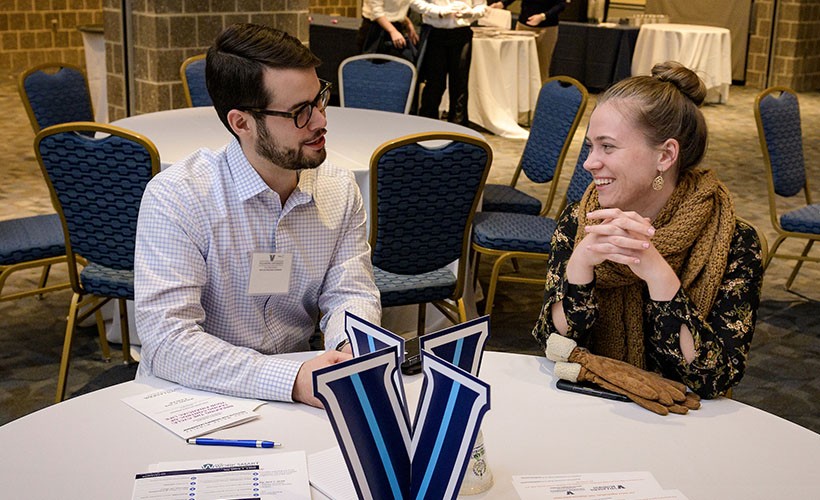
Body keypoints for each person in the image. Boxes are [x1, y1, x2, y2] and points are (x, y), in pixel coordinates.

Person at [134, 23, 381, 408]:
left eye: (320, 99)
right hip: (193, 397)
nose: (320, 121)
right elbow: (168, 340)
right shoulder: (179, 197)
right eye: (300, 112)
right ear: (242, 123)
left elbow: (350, 292)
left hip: (300, 394)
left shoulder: (339, 188)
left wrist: (352, 348)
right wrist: (290, 379)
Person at [532, 61, 764, 399]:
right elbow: (555, 345)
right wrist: (580, 265)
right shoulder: (580, 223)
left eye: (607, 146)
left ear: (666, 155)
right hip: (593, 405)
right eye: (590, 146)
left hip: (686, 424)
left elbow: (715, 377)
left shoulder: (733, 241)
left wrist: (658, 275)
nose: (589, 162)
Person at [412, 0, 486, 125]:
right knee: (435, 83)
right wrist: (438, 11)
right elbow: (414, 2)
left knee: (460, 83)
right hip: (435, 32)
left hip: (462, 33)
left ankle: (458, 128)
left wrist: (471, 13)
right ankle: (426, 125)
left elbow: (481, 6)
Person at [488, 0, 566, 84]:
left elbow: (561, 5)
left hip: (547, 28)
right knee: (519, 64)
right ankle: (518, 93)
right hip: (524, 26)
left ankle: (540, 93)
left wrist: (543, 16)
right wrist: (502, 4)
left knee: (542, 65)